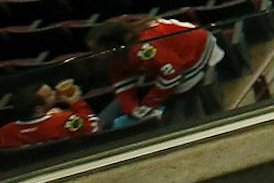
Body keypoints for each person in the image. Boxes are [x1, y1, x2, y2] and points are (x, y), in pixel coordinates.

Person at [88, 16, 225, 126]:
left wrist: (150, 102)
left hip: (197, 50)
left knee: (179, 92)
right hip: (171, 58)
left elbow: (172, 73)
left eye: (99, 51)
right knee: (136, 107)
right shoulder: (112, 56)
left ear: (115, 44)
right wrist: (133, 109)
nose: (96, 55)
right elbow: (122, 85)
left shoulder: (143, 48)